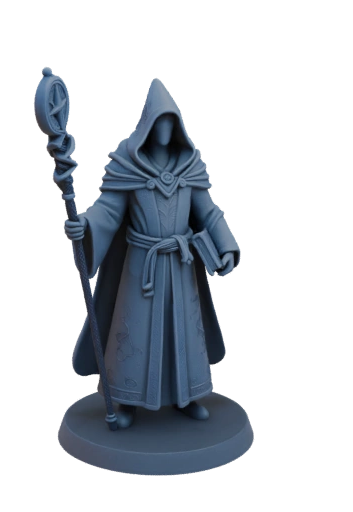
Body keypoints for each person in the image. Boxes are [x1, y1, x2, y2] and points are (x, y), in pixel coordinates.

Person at [64, 79, 240, 429]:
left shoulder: (189, 165)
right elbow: (108, 211)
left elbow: (208, 212)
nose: (164, 128)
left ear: (178, 126)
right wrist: (84, 225)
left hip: (180, 265)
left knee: (182, 332)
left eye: (170, 122)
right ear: (147, 124)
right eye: (159, 121)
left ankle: (186, 396)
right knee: (136, 332)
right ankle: (127, 401)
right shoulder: (127, 163)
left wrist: (227, 245)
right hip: (141, 266)